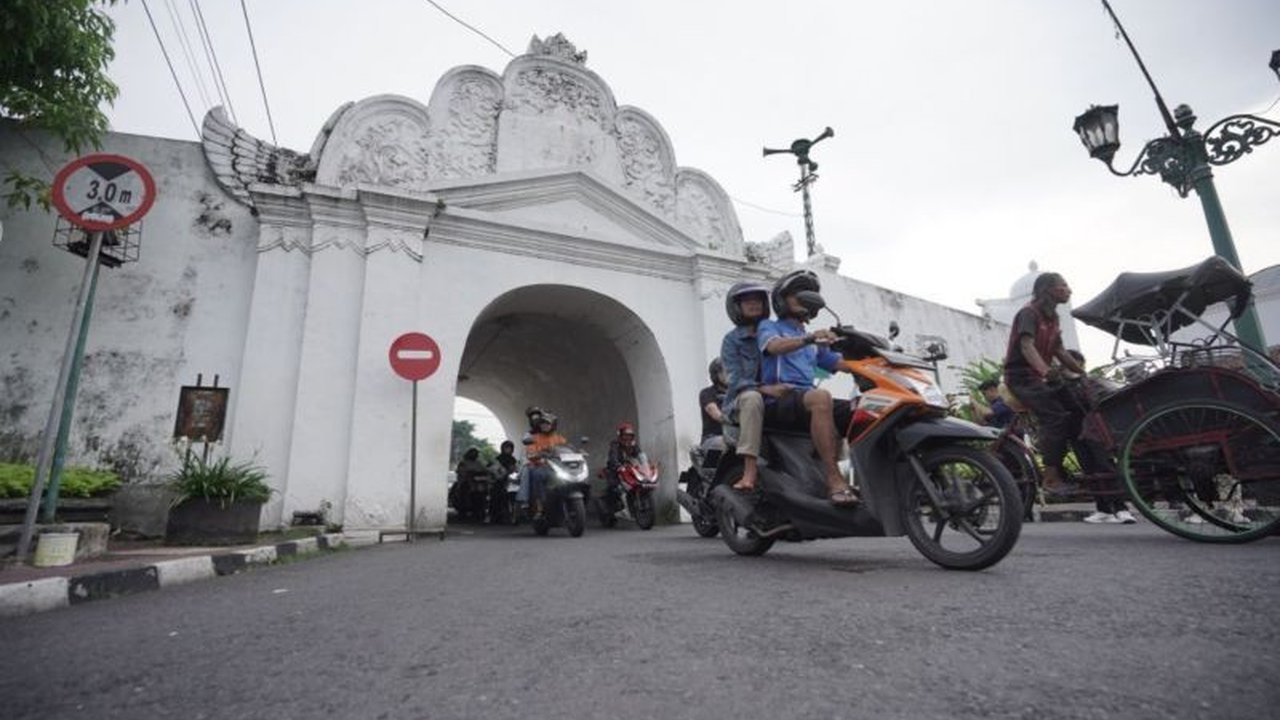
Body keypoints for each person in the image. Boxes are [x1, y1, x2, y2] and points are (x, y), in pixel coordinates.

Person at [756, 269, 859, 506]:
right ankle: (834, 479)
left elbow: (838, 363)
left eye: (808, 294)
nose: (804, 298)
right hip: (779, 398)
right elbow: (774, 347)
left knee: (863, 408)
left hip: (806, 399)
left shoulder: (813, 339)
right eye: (797, 293)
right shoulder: (770, 327)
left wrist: (875, 363)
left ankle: (865, 477)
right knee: (821, 396)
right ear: (782, 299)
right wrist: (810, 338)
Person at [1002, 271, 1090, 497]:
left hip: (1041, 377)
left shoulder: (1054, 318)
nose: (1069, 290)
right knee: (1055, 416)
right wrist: (1045, 370)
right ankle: (1050, 478)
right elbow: (1026, 345)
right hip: (1021, 376)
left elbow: (1059, 350)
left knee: (1078, 411)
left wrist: (1083, 373)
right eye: (1064, 285)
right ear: (1047, 290)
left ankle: (1080, 470)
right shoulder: (1029, 313)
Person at [1063, 349, 1137, 524]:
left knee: (1105, 467)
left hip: (1096, 432)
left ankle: (1121, 508)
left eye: (1067, 362)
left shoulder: (1090, 382)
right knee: (1089, 470)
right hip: (1075, 432)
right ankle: (1103, 509)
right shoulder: (1061, 385)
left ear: (1079, 364)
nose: (1062, 366)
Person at [719, 281, 772, 493]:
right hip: (742, 402)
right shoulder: (731, 340)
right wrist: (766, 390)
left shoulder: (773, 334)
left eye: (757, 299)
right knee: (752, 398)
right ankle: (750, 471)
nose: (753, 304)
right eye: (747, 300)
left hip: (775, 400)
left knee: (818, 399)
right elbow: (736, 380)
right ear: (737, 307)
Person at [519, 409, 567, 517]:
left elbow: (567, 448)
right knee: (538, 475)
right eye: (543, 424)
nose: (545, 426)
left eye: (547, 424)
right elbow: (530, 452)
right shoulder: (534, 437)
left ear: (553, 425)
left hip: (556, 468)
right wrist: (536, 455)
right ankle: (540, 504)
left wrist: (578, 452)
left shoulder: (558, 438)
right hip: (541, 466)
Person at [605, 422, 648, 497]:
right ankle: (619, 504)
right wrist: (619, 466)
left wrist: (645, 464)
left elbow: (640, 454)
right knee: (617, 488)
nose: (627, 438)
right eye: (625, 436)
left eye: (629, 436)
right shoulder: (615, 445)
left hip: (629, 469)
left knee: (642, 482)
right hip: (616, 470)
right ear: (620, 436)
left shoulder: (633, 445)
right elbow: (613, 458)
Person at [700, 358, 728, 443]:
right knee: (724, 443)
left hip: (734, 435)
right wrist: (732, 420)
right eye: (726, 371)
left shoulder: (737, 393)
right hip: (712, 438)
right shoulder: (707, 393)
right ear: (716, 374)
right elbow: (714, 412)